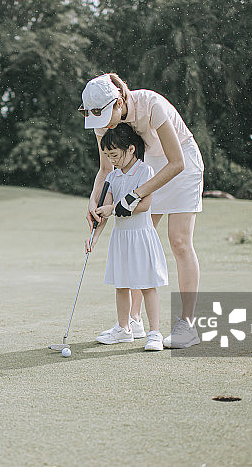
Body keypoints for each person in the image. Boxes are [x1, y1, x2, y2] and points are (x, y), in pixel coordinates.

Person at [80, 73, 204, 349]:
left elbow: (176, 163)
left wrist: (135, 195)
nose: (103, 125)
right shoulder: (104, 121)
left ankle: (187, 325)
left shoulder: (151, 104)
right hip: (145, 170)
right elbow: (106, 169)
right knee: (140, 240)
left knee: (180, 242)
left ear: (119, 101)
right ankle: (131, 323)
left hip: (180, 164)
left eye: (105, 116)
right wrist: (93, 201)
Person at [85, 124, 167, 351]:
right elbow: (105, 212)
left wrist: (112, 208)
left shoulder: (144, 171)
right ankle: (124, 329)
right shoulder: (112, 176)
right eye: (108, 156)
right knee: (121, 285)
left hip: (141, 235)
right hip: (120, 238)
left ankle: (154, 333)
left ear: (131, 149)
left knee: (147, 285)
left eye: (115, 154)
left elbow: (145, 204)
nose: (112, 160)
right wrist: (94, 237)